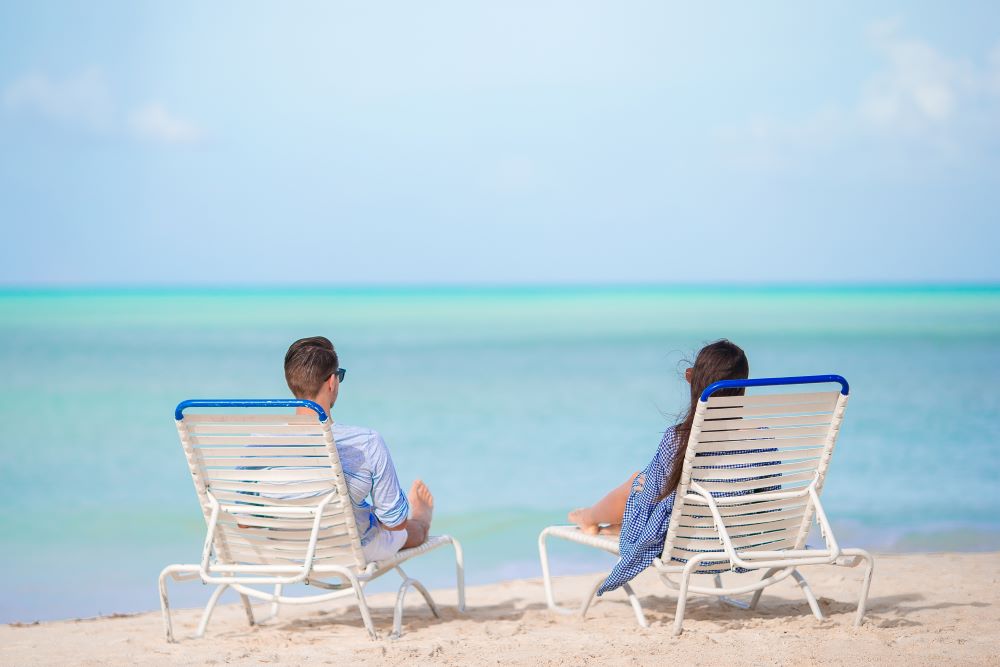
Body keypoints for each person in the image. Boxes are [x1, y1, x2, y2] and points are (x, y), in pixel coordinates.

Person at [567, 339, 751, 595]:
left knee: (637, 482)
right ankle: (601, 522)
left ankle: (588, 517)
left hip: (690, 546)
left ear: (690, 378)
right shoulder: (759, 440)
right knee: (647, 485)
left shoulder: (679, 439)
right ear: (745, 386)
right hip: (740, 542)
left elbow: (651, 500)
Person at [284, 335, 434, 562]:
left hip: (287, 551)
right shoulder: (366, 442)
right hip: (349, 550)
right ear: (332, 382)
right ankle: (422, 520)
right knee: (409, 529)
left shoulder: (260, 443)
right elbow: (394, 522)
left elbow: (244, 522)